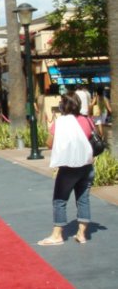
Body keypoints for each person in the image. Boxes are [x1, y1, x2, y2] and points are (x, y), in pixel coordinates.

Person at [38, 92, 94, 246]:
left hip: (69, 166)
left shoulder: (61, 122)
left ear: (64, 105)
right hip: (87, 166)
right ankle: (82, 234)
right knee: (83, 199)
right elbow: (93, 137)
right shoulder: (87, 120)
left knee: (60, 200)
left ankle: (57, 235)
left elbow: (49, 143)